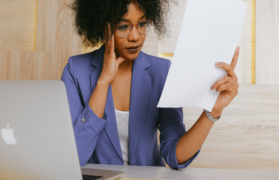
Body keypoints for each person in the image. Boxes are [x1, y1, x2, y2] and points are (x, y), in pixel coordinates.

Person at [61, 0, 240, 170]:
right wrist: (103, 81)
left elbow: (174, 156)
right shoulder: (75, 71)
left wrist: (212, 111)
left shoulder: (161, 72)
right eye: (123, 26)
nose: (135, 36)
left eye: (142, 24)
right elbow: (76, 156)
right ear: (103, 25)